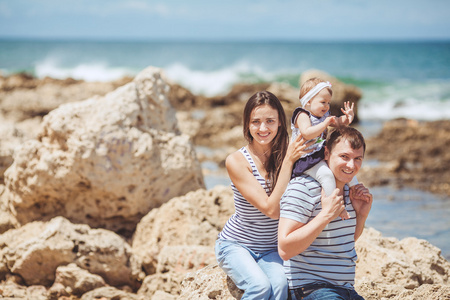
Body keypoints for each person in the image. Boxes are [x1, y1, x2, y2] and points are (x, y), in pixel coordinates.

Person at [215, 91, 312, 300]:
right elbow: (271, 210)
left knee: (280, 286)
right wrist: (288, 162)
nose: (263, 128)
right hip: (237, 244)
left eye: (270, 121)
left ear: (279, 123)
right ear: (247, 125)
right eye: (256, 122)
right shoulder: (237, 161)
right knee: (260, 287)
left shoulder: (288, 152)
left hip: (271, 249)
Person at [278, 126, 373, 300]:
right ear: (327, 153)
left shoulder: (348, 191)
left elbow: (343, 243)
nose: (351, 165)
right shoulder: (303, 187)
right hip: (309, 289)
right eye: (344, 157)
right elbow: (285, 249)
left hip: (346, 289)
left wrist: (361, 215)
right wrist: (326, 215)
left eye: (357, 158)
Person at [291, 77, 358, 219]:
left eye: (328, 102)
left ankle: (356, 190)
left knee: (347, 170)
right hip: (305, 158)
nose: (327, 106)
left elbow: (338, 122)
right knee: (327, 175)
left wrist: (348, 118)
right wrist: (325, 123)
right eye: (323, 102)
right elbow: (307, 133)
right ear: (308, 101)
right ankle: (334, 206)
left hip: (320, 154)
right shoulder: (302, 115)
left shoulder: (324, 116)